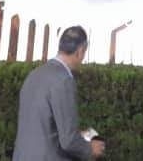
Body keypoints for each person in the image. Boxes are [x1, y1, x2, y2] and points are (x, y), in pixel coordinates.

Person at [13, 25, 106, 160]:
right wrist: (90, 148)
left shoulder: (34, 75)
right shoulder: (64, 80)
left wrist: (77, 135)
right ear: (80, 51)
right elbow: (68, 141)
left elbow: (41, 127)